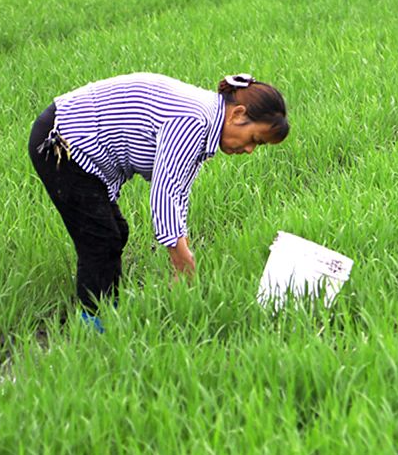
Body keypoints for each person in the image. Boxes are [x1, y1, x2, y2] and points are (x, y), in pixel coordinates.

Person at [28, 72, 289, 331]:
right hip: (63, 142)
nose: (249, 150)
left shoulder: (204, 120)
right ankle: (94, 328)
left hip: (75, 142)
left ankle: (109, 311)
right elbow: (165, 192)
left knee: (116, 232)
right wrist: (181, 259)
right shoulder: (193, 121)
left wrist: (182, 247)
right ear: (238, 114)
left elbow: (178, 191)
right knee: (100, 240)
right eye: (254, 139)